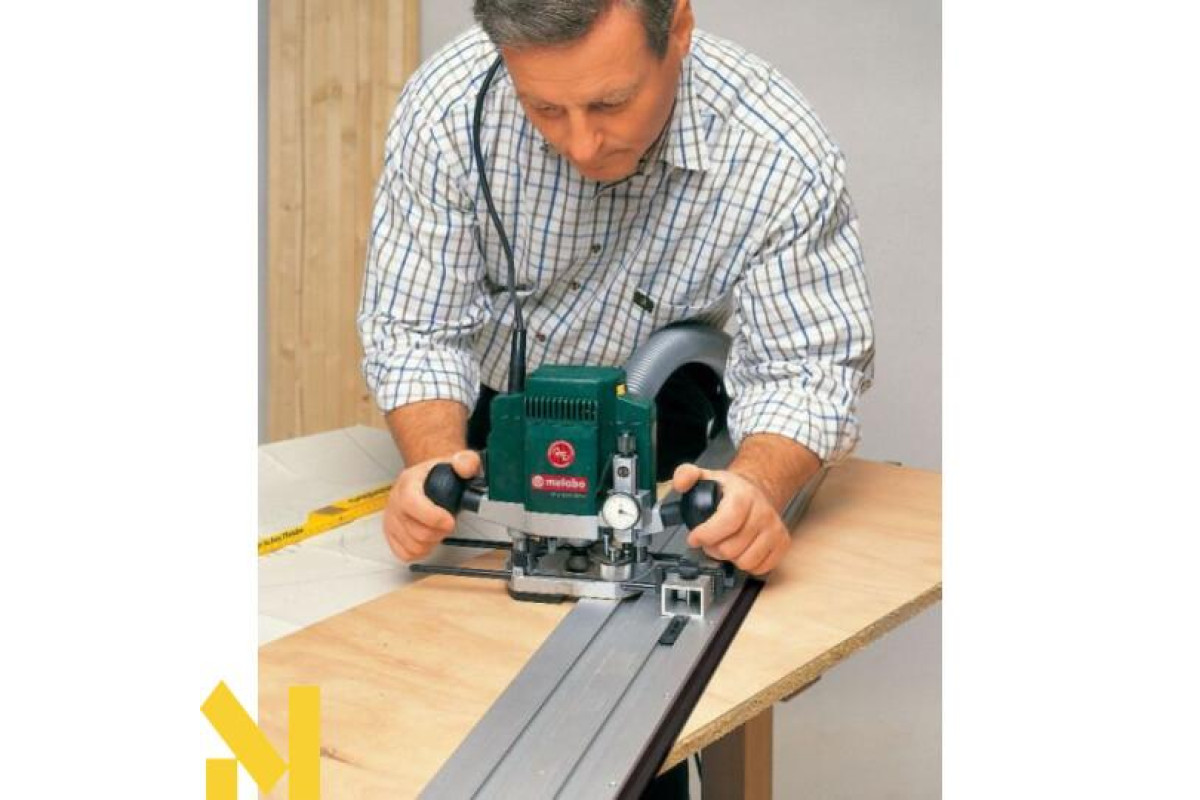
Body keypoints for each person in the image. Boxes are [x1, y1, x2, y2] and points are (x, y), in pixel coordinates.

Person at [359, 0, 873, 587]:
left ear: (677, 28)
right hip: (489, 411)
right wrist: (434, 469)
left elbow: (806, 370)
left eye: (610, 103)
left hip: (657, 418)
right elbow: (417, 329)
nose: (581, 145)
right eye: (544, 108)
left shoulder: (779, 154)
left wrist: (756, 486)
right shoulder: (449, 107)